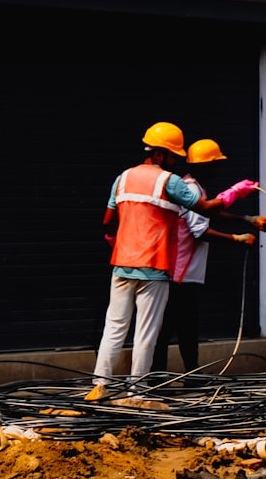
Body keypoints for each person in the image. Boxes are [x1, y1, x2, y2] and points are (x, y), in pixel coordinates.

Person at [91, 122, 257, 391]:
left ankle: (99, 386)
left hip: (122, 265)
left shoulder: (122, 178)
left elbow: (108, 223)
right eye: (172, 156)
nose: (175, 162)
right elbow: (204, 207)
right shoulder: (169, 182)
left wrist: (116, 243)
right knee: (147, 332)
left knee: (115, 328)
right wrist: (235, 192)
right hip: (154, 267)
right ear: (158, 154)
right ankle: (138, 391)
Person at [152, 138, 266, 374]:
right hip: (180, 274)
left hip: (183, 273)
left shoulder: (193, 187)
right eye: (215, 164)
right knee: (176, 328)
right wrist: (236, 239)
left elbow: (210, 213)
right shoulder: (192, 189)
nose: (217, 169)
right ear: (204, 165)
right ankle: (164, 377)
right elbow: (200, 231)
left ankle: (184, 375)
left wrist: (246, 219)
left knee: (182, 327)